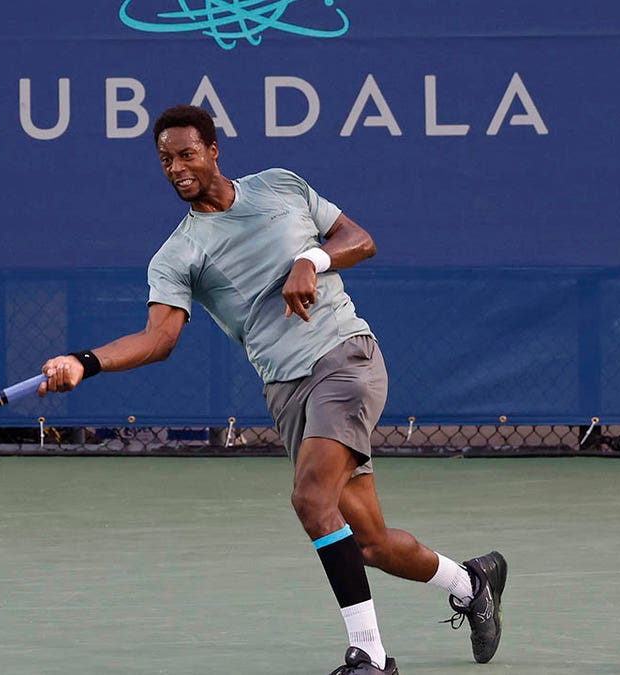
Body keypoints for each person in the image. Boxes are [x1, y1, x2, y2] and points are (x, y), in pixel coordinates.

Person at [38, 104, 506, 674]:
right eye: (165, 160)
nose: (177, 168)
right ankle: (470, 580)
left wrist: (310, 259)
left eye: (187, 154)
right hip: (286, 390)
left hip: (344, 358)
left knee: (312, 500)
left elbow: (359, 239)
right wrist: (85, 362)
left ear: (213, 151)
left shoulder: (281, 186)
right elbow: (158, 339)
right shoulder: (178, 253)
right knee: (370, 543)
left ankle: (371, 656)